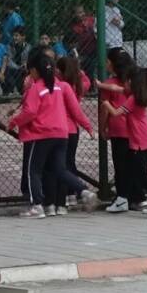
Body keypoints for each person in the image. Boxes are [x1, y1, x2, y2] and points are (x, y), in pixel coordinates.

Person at [7, 50, 97, 218]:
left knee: (33, 170)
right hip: (62, 134)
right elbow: (76, 110)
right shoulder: (60, 87)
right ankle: (83, 190)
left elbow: (30, 112)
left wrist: (13, 122)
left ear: (34, 71)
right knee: (60, 169)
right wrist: (88, 127)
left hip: (41, 134)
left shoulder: (36, 88)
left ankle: (37, 206)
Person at [101, 68, 147, 218]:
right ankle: (122, 199)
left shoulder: (132, 99)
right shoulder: (138, 94)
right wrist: (101, 85)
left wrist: (105, 103)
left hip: (139, 138)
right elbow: (115, 88)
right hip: (141, 137)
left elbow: (116, 113)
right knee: (129, 170)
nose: (125, 83)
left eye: (128, 80)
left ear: (133, 83)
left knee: (141, 173)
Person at [95, 49, 142, 213]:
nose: (106, 64)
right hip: (134, 129)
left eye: (108, 62)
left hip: (119, 128)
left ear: (114, 64)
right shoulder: (134, 81)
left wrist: (102, 128)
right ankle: (136, 197)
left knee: (121, 166)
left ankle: (123, 197)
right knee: (134, 165)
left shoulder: (109, 83)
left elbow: (105, 109)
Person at [50, 56, 91, 215]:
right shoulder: (80, 84)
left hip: (60, 128)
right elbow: (86, 79)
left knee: (59, 166)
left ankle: (66, 196)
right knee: (69, 163)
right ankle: (73, 193)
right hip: (73, 129)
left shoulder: (60, 87)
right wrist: (78, 71)